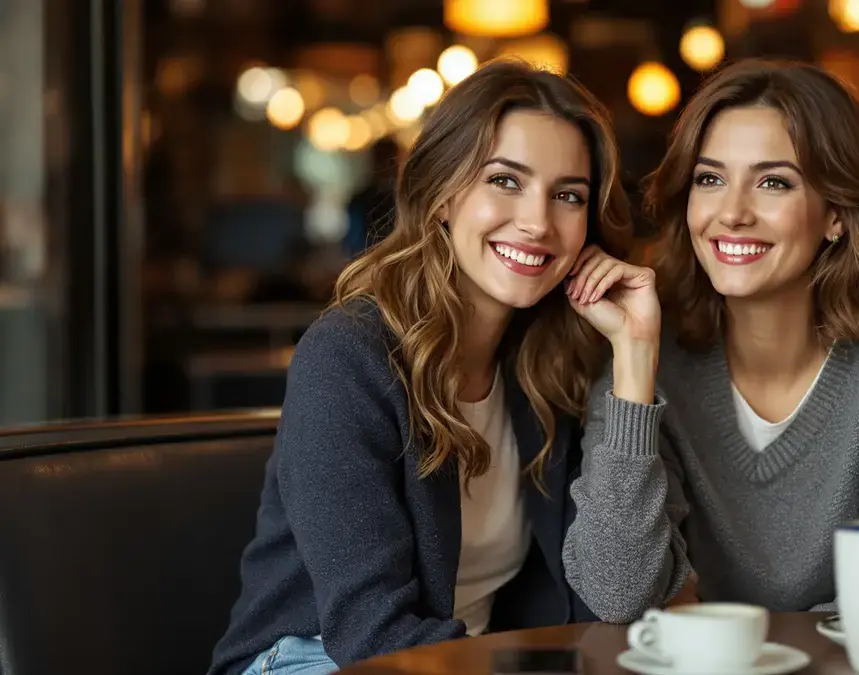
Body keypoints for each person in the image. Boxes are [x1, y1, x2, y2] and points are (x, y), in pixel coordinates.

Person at [208, 59, 655, 675]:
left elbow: (617, 596)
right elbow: (371, 630)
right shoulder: (349, 356)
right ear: (443, 195)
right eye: (505, 181)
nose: (536, 221)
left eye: (568, 195)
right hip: (314, 660)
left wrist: (634, 360)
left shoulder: (550, 368)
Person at [562, 58, 859, 622]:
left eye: (773, 182)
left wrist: (714, 627)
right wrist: (635, 364)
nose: (731, 213)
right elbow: (618, 593)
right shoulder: (647, 339)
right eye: (710, 179)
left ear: (837, 213)